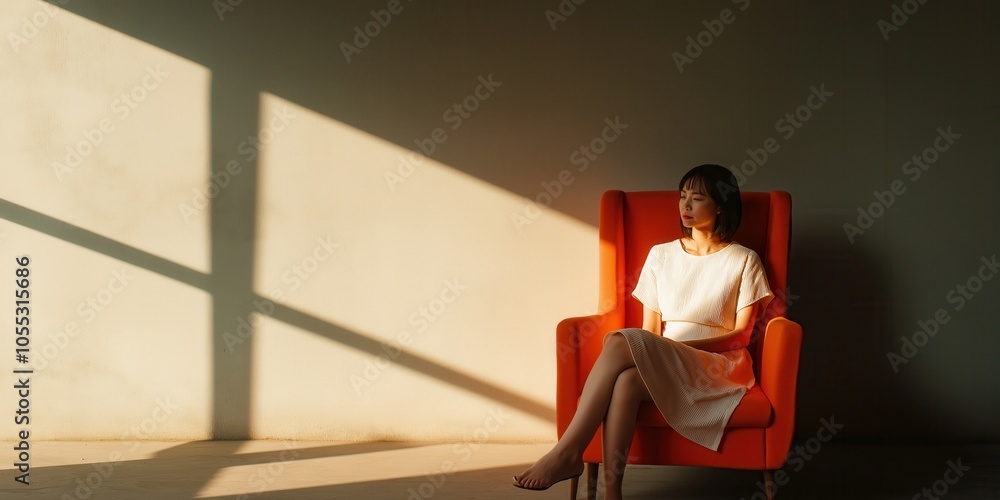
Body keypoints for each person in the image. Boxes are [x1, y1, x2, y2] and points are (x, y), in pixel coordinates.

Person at [513, 164, 773, 500]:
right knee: (626, 381)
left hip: (717, 365)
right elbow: (650, 329)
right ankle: (613, 494)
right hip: (665, 354)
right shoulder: (661, 255)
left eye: (697, 198)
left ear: (720, 206)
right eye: (682, 197)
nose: (686, 206)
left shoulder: (744, 260)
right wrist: (662, 350)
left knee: (622, 340)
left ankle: (567, 452)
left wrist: (679, 348)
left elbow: (741, 335)